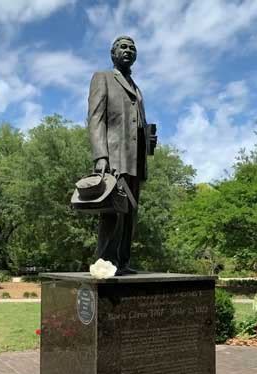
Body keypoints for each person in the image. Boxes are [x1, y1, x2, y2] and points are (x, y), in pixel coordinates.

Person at [87, 35, 156, 275]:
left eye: (132, 47)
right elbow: (96, 119)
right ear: (113, 53)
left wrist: (148, 138)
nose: (128, 50)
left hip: (136, 160)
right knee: (113, 211)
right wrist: (101, 156)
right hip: (114, 158)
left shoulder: (137, 88)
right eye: (123, 47)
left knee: (130, 214)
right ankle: (105, 262)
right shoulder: (103, 78)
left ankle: (123, 262)